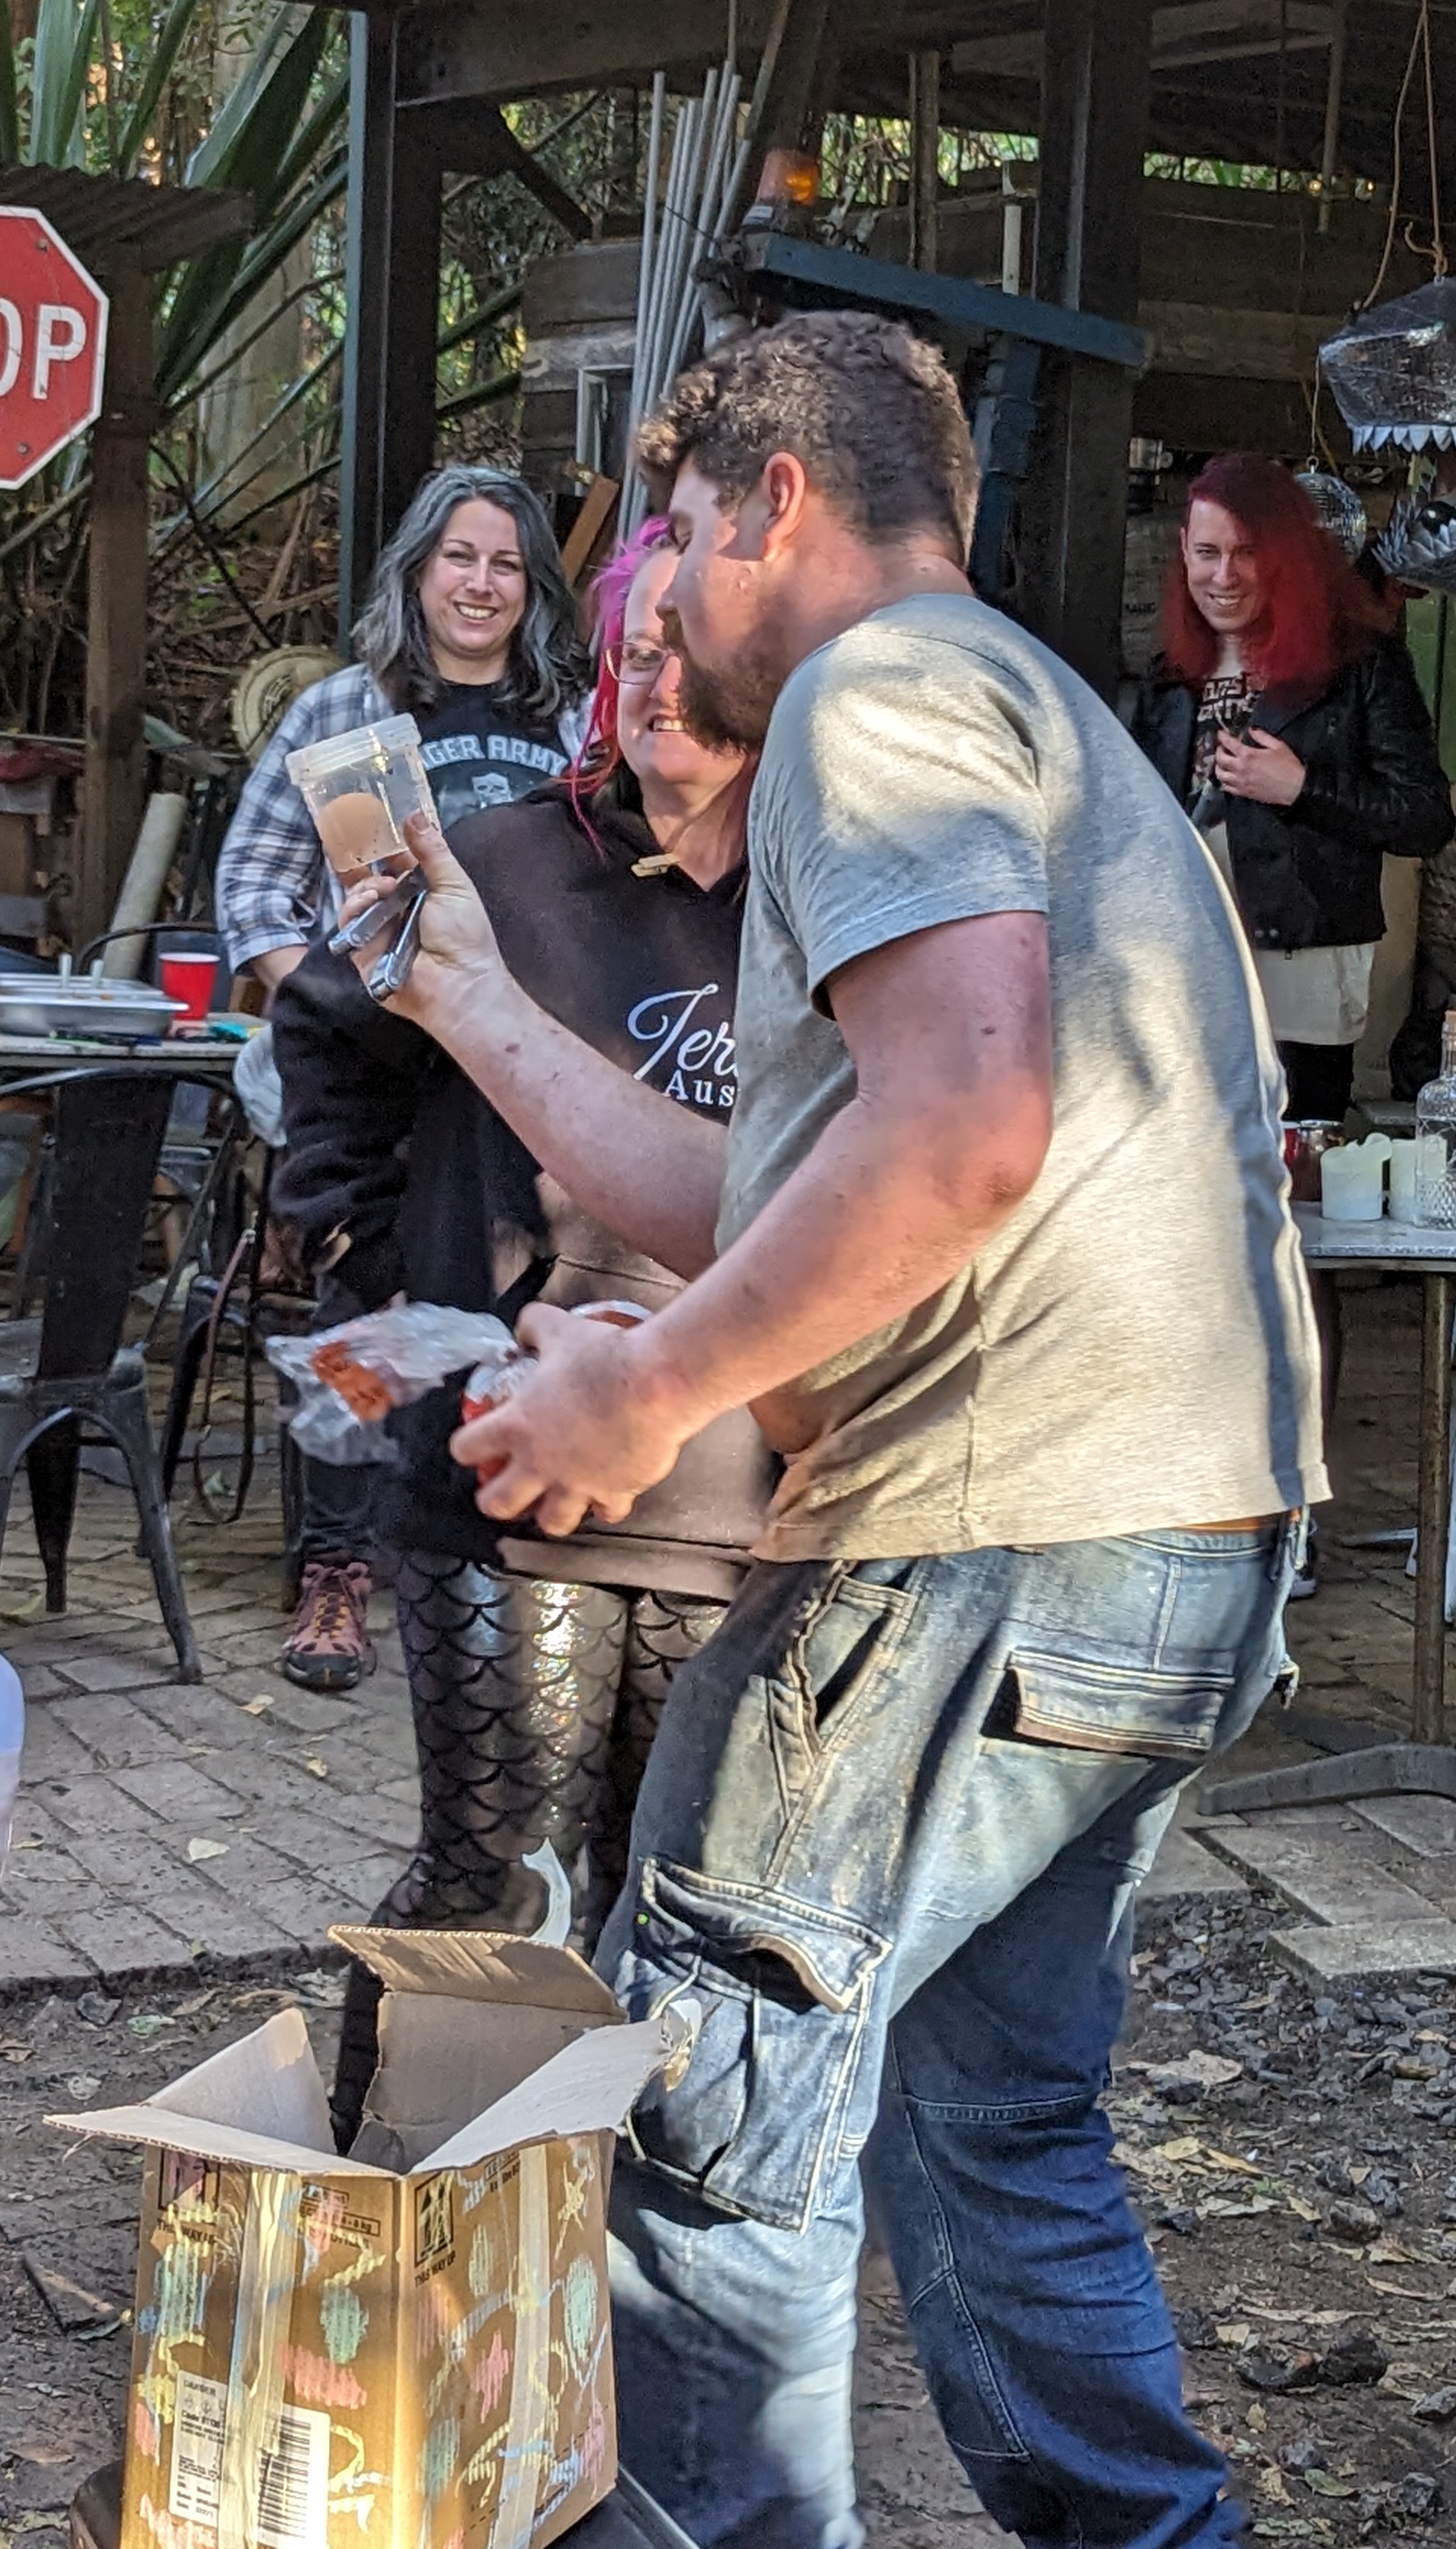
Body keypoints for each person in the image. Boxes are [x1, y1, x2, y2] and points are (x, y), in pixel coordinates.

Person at [337, 308, 1324, 2549]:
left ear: (779, 500)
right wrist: (468, 999)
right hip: (1171, 1544)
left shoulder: (877, 693)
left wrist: (645, 1387)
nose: (662, 590)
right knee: (992, 2132)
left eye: (682, 528)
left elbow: (964, 1132)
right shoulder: (1040, 712)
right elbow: (783, 1192)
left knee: (707, 2136)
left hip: (974, 1540)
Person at [269, 520, 766, 2145]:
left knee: (663, 1888)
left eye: (696, 652)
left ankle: (578, 2227)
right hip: (503, 1463)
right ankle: (390, 2204)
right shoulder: (487, 855)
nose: (659, 684)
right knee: (503, 1870)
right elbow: (326, 1036)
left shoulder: (828, 895)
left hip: (734, 1475)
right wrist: (374, 1265)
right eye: (635, 649)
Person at [216, 464, 588, 1693]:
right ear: (417, 571)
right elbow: (253, 886)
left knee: (516, 1297)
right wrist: (332, 999)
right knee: (357, 1303)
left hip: (518, 1073)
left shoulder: (573, 720)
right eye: (459, 558)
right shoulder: (350, 710)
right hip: (379, 1082)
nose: (481, 584)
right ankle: (334, 1569)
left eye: (506, 564)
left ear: (533, 588)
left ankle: (488, 1563)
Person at [1133, 451, 1454, 1127]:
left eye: (1247, 553)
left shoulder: (1361, 663)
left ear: (1286, 558)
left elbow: (1425, 818)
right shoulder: (1170, 676)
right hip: (1183, 962)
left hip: (1303, 968)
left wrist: (1303, 789)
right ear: (1184, 552)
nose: (1223, 576)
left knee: (1295, 1161)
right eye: (1208, 553)